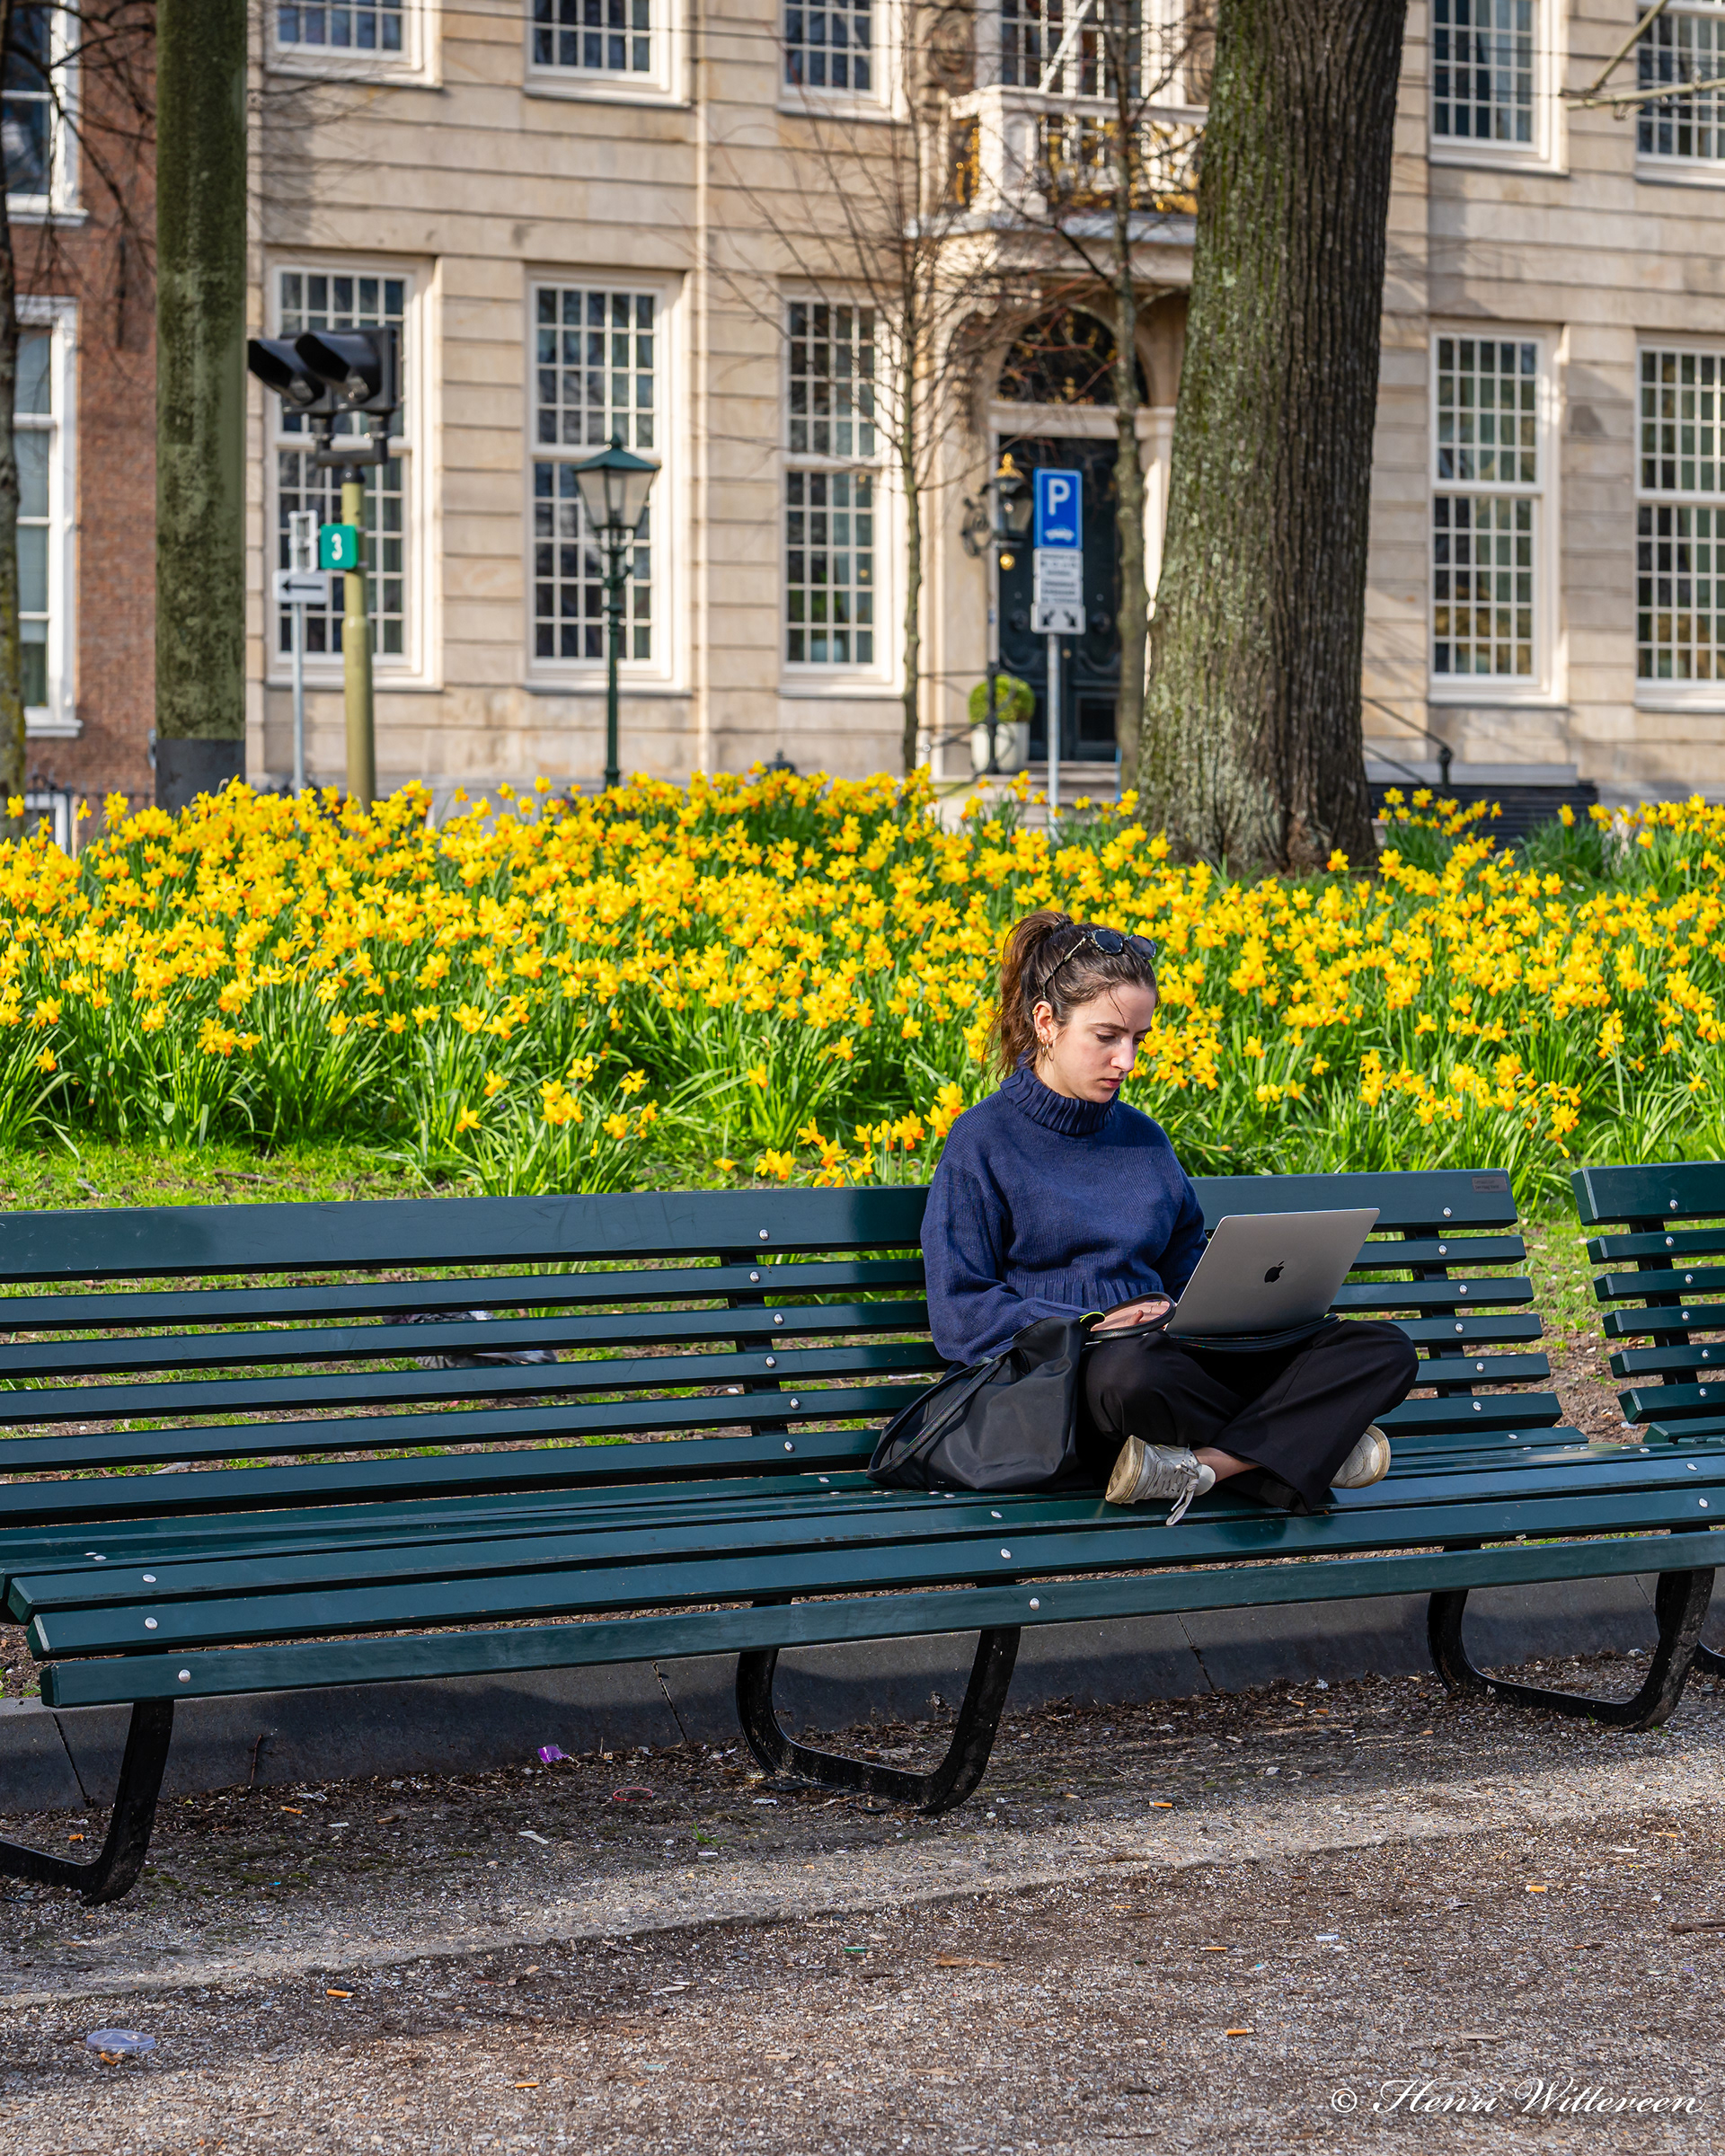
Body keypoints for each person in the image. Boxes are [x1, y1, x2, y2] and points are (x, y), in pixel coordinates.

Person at [922, 909, 1420, 1522]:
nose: (1126, 1061)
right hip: (1080, 1378)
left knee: (1381, 1349)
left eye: (1137, 1039)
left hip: (1178, 1360)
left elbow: (1188, 1267)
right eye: (1107, 1037)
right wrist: (1097, 1320)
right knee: (1129, 1376)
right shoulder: (982, 1142)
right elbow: (960, 1311)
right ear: (1046, 1022)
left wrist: (1245, 1305)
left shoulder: (1145, 1140)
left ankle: (1207, 1468)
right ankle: (1308, 1446)